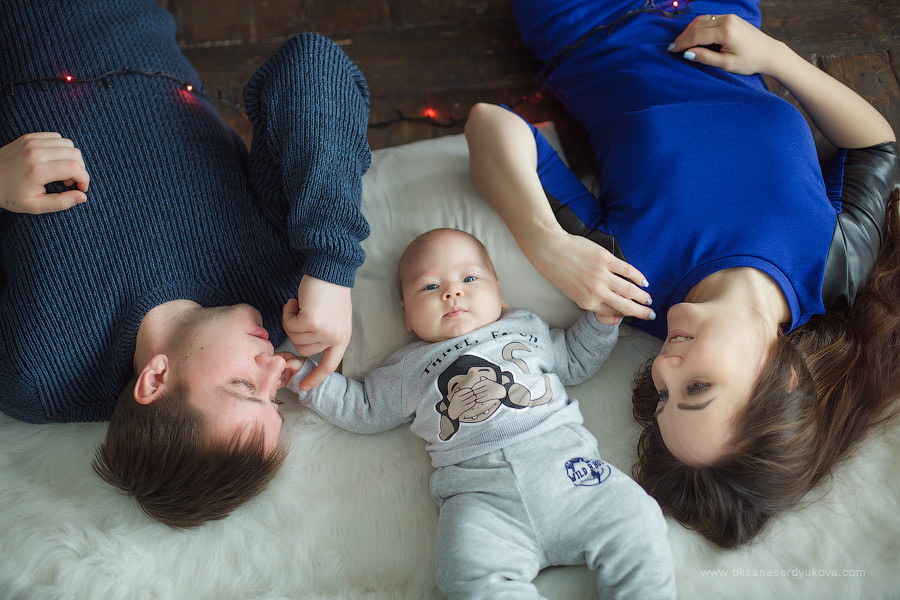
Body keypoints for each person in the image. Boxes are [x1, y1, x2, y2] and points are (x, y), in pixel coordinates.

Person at [463, 0, 900, 548]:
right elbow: (874, 145)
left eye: (663, 395)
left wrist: (546, 243)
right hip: (722, 16)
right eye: (695, 386)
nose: (665, 367)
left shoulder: (629, 285)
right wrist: (778, 58)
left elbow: (490, 124)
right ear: (784, 376)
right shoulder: (833, 266)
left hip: (587, 22)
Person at [0, 0, 371, 527]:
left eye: (246, 388)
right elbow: (311, 64)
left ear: (155, 380)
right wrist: (334, 264)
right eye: (275, 398)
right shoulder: (278, 282)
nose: (276, 369)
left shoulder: (35, 373)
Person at [282, 228, 675, 599]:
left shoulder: (525, 328)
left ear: (499, 294)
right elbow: (362, 408)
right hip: (481, 502)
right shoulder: (406, 368)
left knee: (637, 520)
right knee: (464, 573)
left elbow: (574, 359)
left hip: (571, 476)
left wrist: (601, 321)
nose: (452, 292)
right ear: (406, 316)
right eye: (430, 287)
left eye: (469, 279)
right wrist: (302, 375)